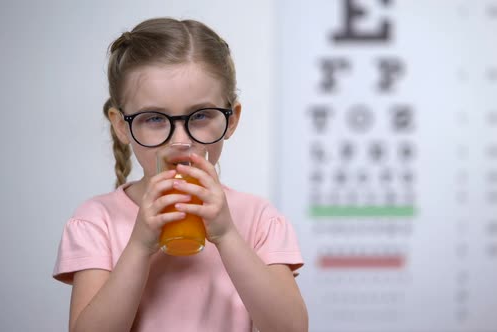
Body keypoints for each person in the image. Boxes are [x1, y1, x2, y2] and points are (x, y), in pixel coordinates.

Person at [52, 17, 308, 332]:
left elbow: (291, 328)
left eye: (200, 115)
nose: (179, 141)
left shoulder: (257, 218)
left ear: (231, 120)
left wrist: (227, 235)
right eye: (154, 119)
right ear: (121, 125)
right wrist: (139, 246)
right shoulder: (97, 220)